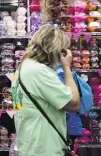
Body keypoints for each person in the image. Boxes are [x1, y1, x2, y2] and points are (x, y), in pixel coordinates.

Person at [12, 25, 80, 156]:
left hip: (29, 145)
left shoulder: (23, 67)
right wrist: (67, 67)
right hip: (44, 148)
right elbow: (74, 103)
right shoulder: (40, 72)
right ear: (55, 49)